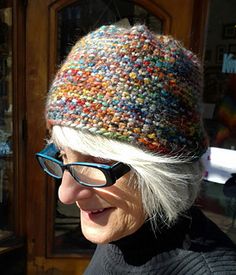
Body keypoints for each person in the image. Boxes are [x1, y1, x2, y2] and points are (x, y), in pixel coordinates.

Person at [36, 25, 236, 274]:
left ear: (162, 167)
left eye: (97, 161)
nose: (65, 194)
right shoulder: (121, 232)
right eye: (64, 155)